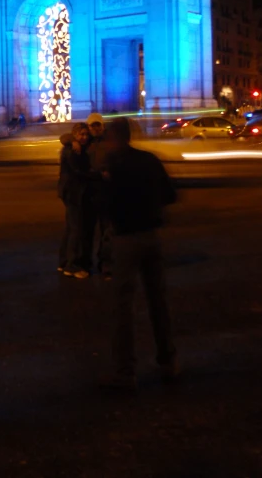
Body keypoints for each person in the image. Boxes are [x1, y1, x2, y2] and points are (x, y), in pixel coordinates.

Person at [99, 117, 179, 391]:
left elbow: (104, 204)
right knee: (158, 302)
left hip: (125, 240)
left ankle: (125, 373)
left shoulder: (113, 165)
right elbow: (171, 195)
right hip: (152, 238)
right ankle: (168, 362)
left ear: (114, 137)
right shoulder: (149, 160)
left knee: (123, 307)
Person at [59, 112, 112, 278]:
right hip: (82, 193)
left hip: (102, 194)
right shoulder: (79, 144)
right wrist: (71, 140)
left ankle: (102, 265)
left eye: (98, 125)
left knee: (105, 232)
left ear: (103, 126)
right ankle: (74, 263)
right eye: (92, 126)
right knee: (79, 230)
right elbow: (66, 137)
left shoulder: (107, 142)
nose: (95, 129)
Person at [57, 122, 100, 279]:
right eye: (81, 134)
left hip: (71, 192)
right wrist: (99, 175)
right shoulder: (73, 151)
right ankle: (72, 266)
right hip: (75, 193)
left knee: (70, 228)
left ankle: (63, 262)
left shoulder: (73, 146)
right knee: (77, 229)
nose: (84, 137)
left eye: (85, 134)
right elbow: (79, 172)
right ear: (75, 135)